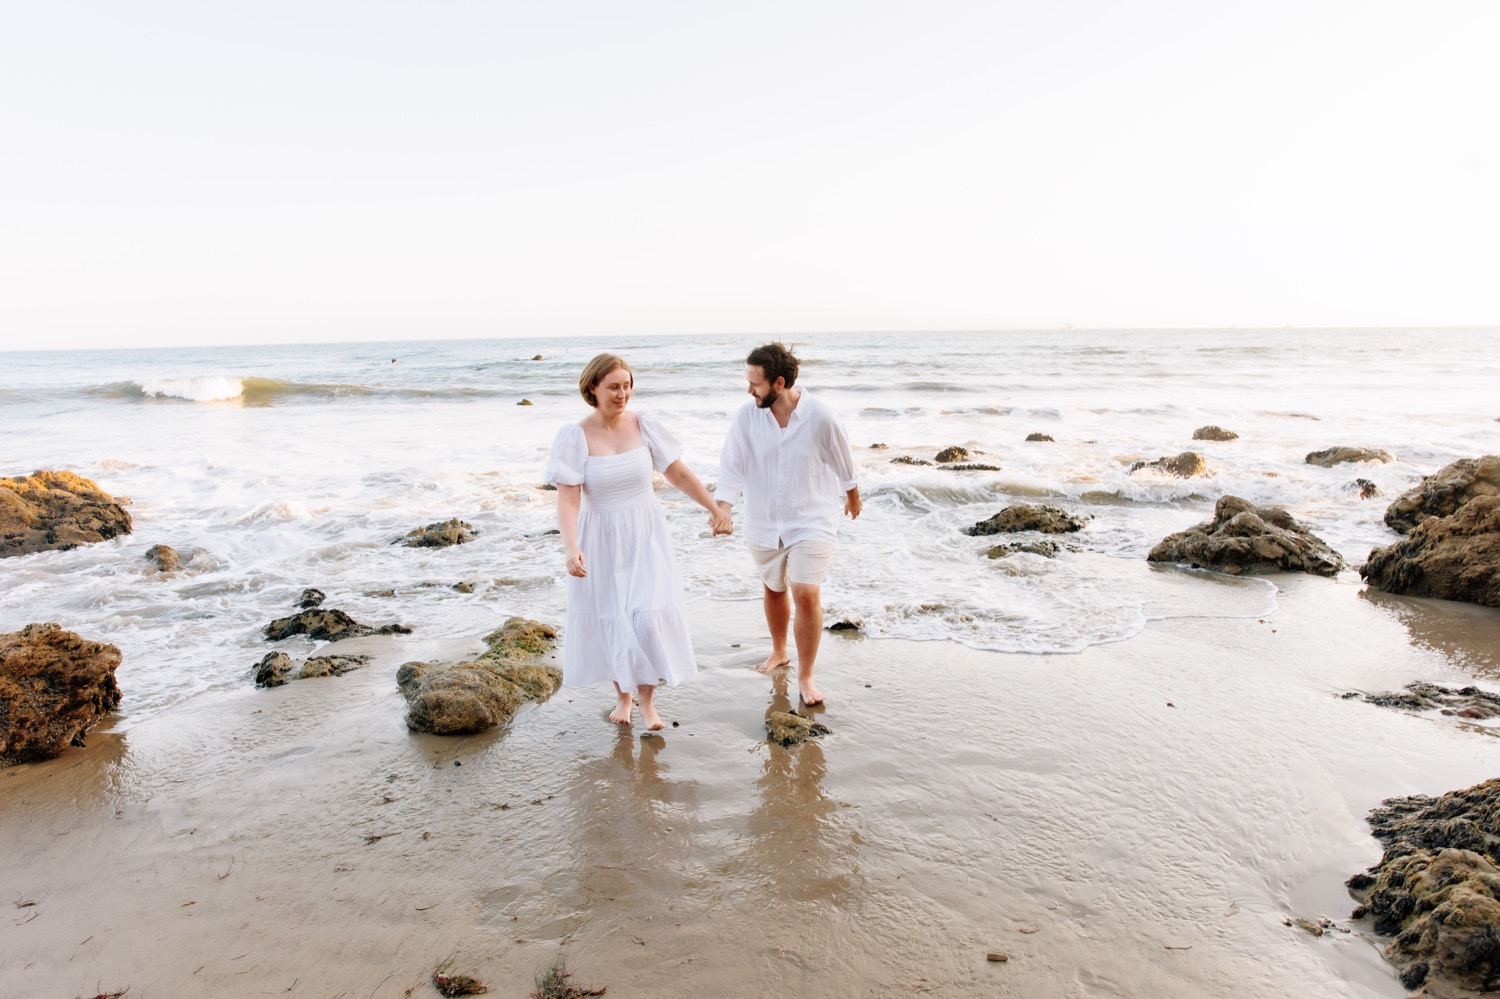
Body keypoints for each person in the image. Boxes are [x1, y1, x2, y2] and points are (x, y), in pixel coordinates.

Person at [546, 353, 732, 730]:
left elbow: (677, 473)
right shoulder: (575, 436)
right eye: (614, 387)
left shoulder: (644, 424)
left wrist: (714, 508)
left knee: (647, 618)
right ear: (592, 388)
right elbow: (568, 499)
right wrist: (570, 546)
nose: (622, 394)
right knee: (615, 620)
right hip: (600, 538)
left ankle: (647, 703)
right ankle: (623, 697)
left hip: (646, 534)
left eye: (627, 385)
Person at [714, 342, 861, 706]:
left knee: (806, 592)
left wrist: (853, 495)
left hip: (811, 519)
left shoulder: (821, 416)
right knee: (774, 588)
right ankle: (779, 650)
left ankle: (807, 677)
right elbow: (732, 465)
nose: (749, 389)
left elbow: (844, 458)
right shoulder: (747, 417)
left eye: (755, 383)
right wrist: (723, 509)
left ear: (779, 382)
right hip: (763, 520)